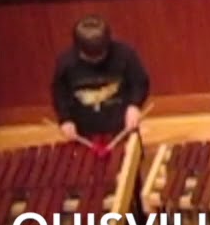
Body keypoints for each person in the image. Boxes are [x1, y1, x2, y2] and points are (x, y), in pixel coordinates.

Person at [51, 15, 150, 144]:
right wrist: (65, 120)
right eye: (90, 58)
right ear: (78, 48)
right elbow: (60, 93)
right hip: (84, 128)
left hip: (121, 124)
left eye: (101, 55)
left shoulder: (125, 55)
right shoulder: (66, 63)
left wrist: (134, 105)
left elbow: (139, 82)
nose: (96, 60)